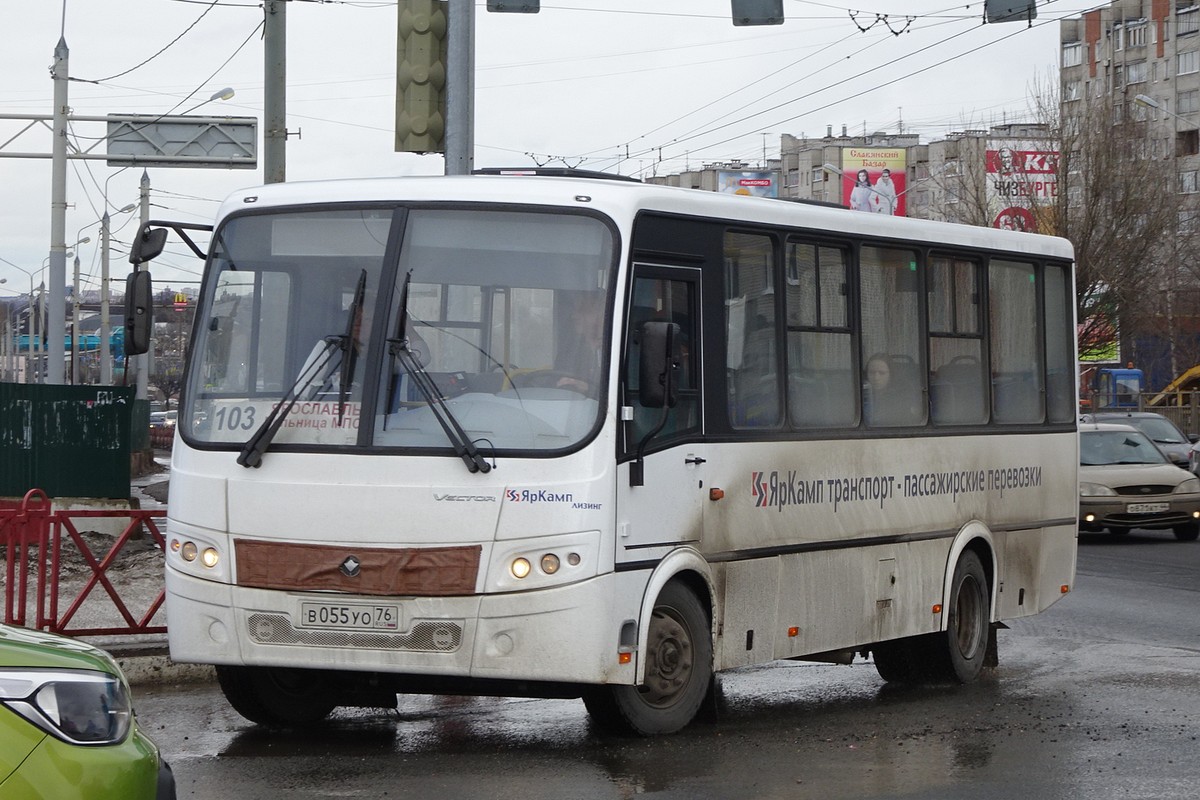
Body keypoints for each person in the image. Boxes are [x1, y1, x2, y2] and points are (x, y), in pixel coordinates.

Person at [553, 290, 605, 395]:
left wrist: (588, 389)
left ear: (602, 313)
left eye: (582, 310)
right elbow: (554, 381)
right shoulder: (568, 351)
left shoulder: (617, 350)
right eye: (574, 310)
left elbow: (617, 395)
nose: (574, 316)